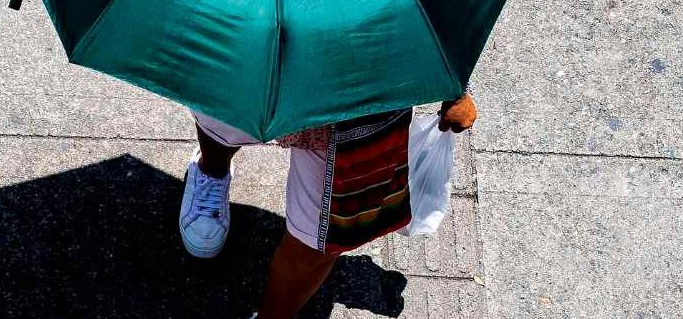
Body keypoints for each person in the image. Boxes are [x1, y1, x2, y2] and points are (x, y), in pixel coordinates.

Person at [177, 93, 479, 319]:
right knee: (219, 104)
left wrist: (456, 82)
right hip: (254, 54)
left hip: (360, 100)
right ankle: (211, 169)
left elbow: (441, 9)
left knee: (320, 240)